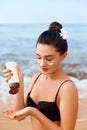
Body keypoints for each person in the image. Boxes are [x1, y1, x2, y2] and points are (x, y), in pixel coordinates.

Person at [3, 21, 78, 130]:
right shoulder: (36, 77)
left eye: (49, 59)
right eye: (38, 57)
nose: (42, 64)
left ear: (64, 56)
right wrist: (19, 83)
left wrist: (33, 112)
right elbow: (19, 116)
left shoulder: (66, 88)